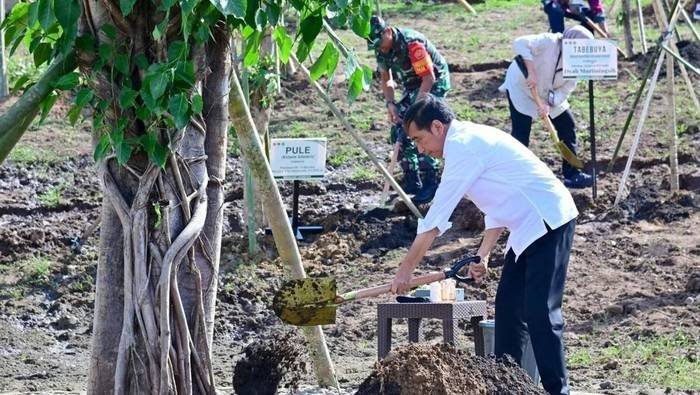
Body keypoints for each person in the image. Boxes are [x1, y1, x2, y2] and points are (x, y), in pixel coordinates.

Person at [390, 95, 578, 395]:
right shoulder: (465, 142)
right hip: (525, 225)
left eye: (419, 139)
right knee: (507, 308)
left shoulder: (464, 147)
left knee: (540, 310)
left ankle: (558, 390)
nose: (420, 149)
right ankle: (509, 386)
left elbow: (434, 220)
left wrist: (405, 272)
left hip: (548, 217)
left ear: (437, 127)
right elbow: (498, 204)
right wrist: (483, 254)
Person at [367, 15, 451, 204]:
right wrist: (391, 104)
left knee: (419, 126)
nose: (379, 47)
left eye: (380, 42)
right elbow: (386, 79)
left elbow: (429, 78)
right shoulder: (381, 48)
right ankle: (412, 179)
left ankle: (431, 179)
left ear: (387, 31)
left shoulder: (413, 44)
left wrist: (415, 111)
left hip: (434, 82)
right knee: (399, 128)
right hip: (413, 85)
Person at [499, 25, 595, 189]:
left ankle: (572, 174)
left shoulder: (578, 62)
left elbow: (565, 89)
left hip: (548, 95)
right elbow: (520, 43)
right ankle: (514, 175)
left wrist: (549, 104)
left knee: (567, 126)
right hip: (521, 88)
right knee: (521, 132)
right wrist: (532, 71)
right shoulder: (549, 42)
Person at [542, 0, 608, 34]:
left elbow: (597, 8)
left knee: (589, 14)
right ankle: (558, 43)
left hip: (572, 4)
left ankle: (584, 41)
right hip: (553, 2)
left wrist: (605, 32)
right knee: (556, 10)